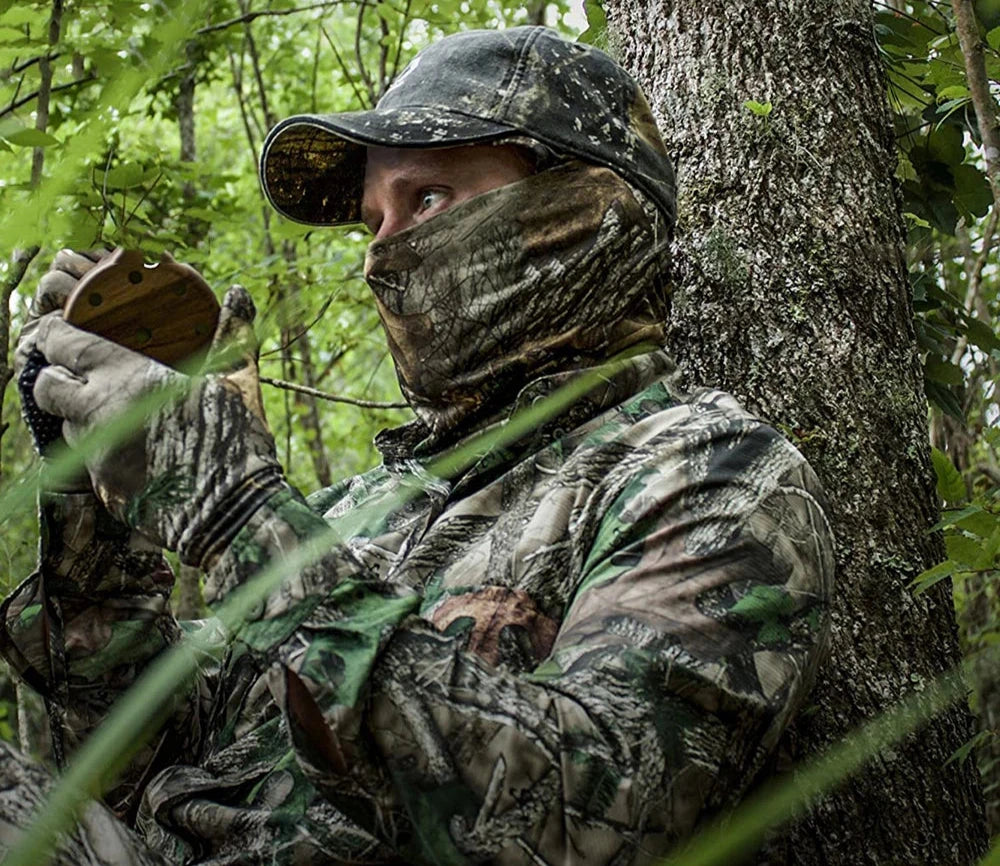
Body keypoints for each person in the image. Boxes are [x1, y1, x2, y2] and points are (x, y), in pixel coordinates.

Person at [1, 25, 834, 866]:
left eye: (426, 199)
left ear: (580, 213)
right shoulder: (359, 510)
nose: (381, 252)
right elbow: (142, 764)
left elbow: (592, 822)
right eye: (373, 220)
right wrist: (93, 513)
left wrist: (247, 521)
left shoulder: (709, 473)